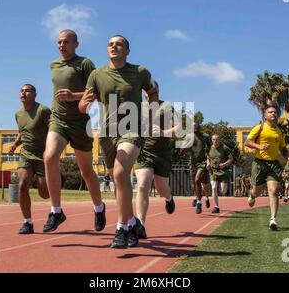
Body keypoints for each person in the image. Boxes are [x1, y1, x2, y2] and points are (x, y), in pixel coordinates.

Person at [79, 34, 157, 249]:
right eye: (111, 44)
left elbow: (152, 91)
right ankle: (133, 223)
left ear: (127, 51)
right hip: (107, 133)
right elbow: (83, 107)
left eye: (119, 44)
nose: (114, 46)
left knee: (121, 173)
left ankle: (121, 227)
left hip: (132, 129)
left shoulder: (139, 72)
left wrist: (151, 111)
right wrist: (84, 104)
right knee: (118, 180)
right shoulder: (97, 75)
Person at [42, 29, 106, 233]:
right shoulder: (53, 65)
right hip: (58, 119)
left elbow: (97, 90)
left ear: (76, 44)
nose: (62, 45)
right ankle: (56, 211)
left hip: (80, 123)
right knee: (50, 157)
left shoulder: (85, 63)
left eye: (66, 42)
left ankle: (99, 208)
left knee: (86, 172)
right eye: (59, 42)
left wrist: (74, 96)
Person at [134, 81, 179, 239]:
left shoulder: (166, 107)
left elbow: (178, 129)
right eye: (146, 90)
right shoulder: (137, 108)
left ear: (157, 91)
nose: (149, 93)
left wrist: (162, 132)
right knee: (142, 185)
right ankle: (141, 225)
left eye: (152, 90)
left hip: (163, 153)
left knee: (161, 188)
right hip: (143, 151)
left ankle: (168, 198)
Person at [10, 84, 51, 234]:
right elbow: (22, 133)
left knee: (44, 194)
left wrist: (52, 151)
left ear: (35, 94)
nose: (23, 93)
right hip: (26, 154)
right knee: (22, 185)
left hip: (43, 155)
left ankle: (55, 182)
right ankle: (27, 222)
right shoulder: (18, 114)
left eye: (27, 90)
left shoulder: (43, 111)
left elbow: (54, 131)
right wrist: (15, 144)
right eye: (21, 90)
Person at [245, 105, 289, 231]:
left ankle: (273, 219)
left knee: (273, 190)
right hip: (259, 163)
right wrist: (259, 147)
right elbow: (247, 142)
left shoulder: (279, 131)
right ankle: (252, 196)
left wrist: (287, 157)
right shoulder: (259, 128)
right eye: (270, 112)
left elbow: (282, 148)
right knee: (256, 191)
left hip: (274, 164)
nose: (273, 114)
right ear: (265, 116)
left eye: (275, 112)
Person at [186, 123, 212, 214]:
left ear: (199, 127)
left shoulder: (205, 136)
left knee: (200, 181)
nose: (194, 128)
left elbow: (210, 149)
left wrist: (209, 160)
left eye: (196, 126)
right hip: (193, 163)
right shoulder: (189, 137)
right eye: (192, 127)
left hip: (203, 162)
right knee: (195, 182)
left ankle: (200, 202)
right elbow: (183, 148)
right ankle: (199, 198)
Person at [206, 134, 233, 213]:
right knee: (214, 188)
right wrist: (208, 164)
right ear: (212, 140)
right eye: (214, 139)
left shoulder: (224, 148)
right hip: (213, 171)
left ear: (219, 140)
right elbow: (208, 157)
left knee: (223, 191)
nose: (215, 141)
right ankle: (216, 207)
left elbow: (231, 159)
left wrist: (224, 164)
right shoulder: (209, 148)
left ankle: (225, 188)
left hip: (223, 171)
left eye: (217, 139)